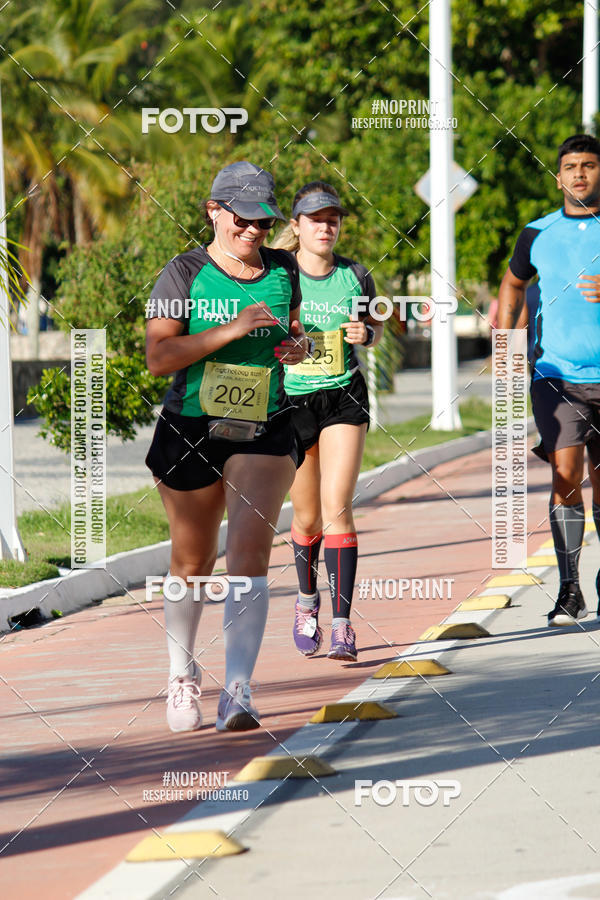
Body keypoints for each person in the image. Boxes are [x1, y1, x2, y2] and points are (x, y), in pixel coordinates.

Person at [145, 161, 311, 732]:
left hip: (264, 422)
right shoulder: (181, 274)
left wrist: (297, 348)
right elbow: (159, 357)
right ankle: (181, 674)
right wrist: (230, 331)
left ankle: (238, 688)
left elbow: (294, 336)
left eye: (263, 222)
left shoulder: (285, 269)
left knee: (249, 548)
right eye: (241, 219)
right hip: (191, 423)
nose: (252, 231)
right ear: (213, 211)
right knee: (192, 559)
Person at [272, 182, 383, 660]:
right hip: (292, 404)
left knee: (338, 507)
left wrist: (367, 332)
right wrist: (283, 345)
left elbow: (375, 327)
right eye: (315, 219)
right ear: (295, 226)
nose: (325, 227)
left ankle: (341, 625)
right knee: (307, 515)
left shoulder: (356, 275)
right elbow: (258, 333)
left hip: (342, 397)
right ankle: (305, 601)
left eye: (333, 219)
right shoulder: (277, 273)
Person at [498, 133, 600, 626]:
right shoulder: (536, 233)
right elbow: (513, 282)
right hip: (556, 375)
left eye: (589, 165)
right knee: (564, 476)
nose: (579, 173)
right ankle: (570, 588)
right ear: (558, 176)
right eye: (571, 166)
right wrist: (507, 337)